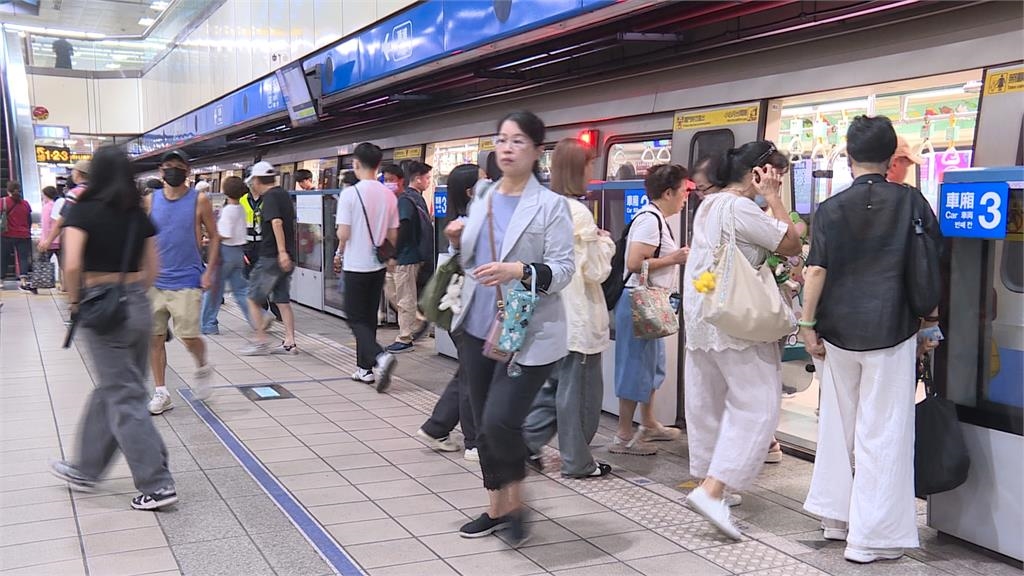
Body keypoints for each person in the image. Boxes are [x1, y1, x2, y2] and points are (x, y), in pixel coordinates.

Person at [801, 116, 941, 564]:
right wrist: (929, 323)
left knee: (837, 425)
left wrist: (807, 324)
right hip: (892, 331)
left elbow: (816, 270)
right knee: (883, 431)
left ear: (848, 156)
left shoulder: (829, 208)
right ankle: (871, 538)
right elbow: (930, 265)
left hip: (837, 332)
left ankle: (835, 517)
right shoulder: (912, 202)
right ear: (890, 157)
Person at [447, 111, 574, 545]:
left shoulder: (551, 205)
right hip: (477, 326)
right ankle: (496, 507)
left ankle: (516, 500)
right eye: (502, 139)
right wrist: (456, 240)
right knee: (481, 426)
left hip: (526, 330)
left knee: (500, 420)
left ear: (537, 150)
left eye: (518, 141)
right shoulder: (483, 194)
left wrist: (519, 270)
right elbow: (470, 259)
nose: (507, 148)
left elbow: (564, 269)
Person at [681, 141, 803, 539]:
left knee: (709, 400)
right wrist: (775, 199)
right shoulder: (740, 207)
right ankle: (713, 490)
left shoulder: (709, 204)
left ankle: (709, 480)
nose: (778, 181)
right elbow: (791, 244)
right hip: (737, 319)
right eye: (776, 174)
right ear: (758, 173)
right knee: (759, 405)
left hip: (704, 314)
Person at [49, 145, 177, 510]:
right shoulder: (137, 214)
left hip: (102, 309)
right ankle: (86, 468)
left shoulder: (82, 210)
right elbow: (153, 269)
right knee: (115, 388)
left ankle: (157, 484)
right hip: (137, 306)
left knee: (123, 396)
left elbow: (72, 265)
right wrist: (130, 290)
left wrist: (77, 301)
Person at [523, 138, 615, 478]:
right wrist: (605, 242)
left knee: (552, 389)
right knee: (579, 395)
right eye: (589, 163)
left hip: (551, 313)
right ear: (579, 168)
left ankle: (523, 444)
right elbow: (595, 271)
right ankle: (578, 462)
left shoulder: (543, 206)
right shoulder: (578, 213)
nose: (592, 169)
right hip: (578, 316)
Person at [610, 165, 690, 457]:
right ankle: (623, 436)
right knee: (634, 367)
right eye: (683, 191)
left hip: (650, 302)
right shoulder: (649, 220)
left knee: (652, 365)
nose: (685, 198)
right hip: (638, 303)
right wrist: (674, 258)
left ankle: (648, 423)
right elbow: (634, 264)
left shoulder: (657, 219)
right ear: (668, 193)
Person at [416, 163, 482, 460]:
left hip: (461, 310)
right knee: (472, 376)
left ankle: (437, 427)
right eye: (484, 182)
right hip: (467, 310)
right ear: (471, 192)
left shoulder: (463, 221)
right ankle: (473, 442)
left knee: (468, 371)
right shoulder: (467, 225)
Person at [146, 150, 219, 415]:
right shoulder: (150, 200)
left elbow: (215, 236)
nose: (173, 170)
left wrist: (209, 271)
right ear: (161, 170)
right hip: (155, 280)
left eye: (178, 166)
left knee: (188, 336)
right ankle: (161, 392)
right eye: (168, 166)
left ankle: (202, 366)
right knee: (154, 338)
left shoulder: (199, 200)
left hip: (187, 278)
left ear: (187, 171)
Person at [333, 143, 400, 391]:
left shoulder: (350, 194)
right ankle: (365, 369)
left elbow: (343, 233)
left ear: (356, 164)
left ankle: (381, 357)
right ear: (379, 164)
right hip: (377, 265)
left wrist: (339, 250)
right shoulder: (388, 194)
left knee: (354, 317)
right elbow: (393, 234)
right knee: (369, 317)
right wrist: (391, 258)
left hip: (355, 265)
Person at [239, 162, 299, 356]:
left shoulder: (270, 196)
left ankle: (260, 341)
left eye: (252, 182)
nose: (252, 186)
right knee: (282, 300)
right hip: (286, 256)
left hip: (272, 256)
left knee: (252, 298)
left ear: (257, 180)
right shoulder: (284, 194)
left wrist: (281, 252)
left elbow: (277, 222)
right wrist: (286, 253)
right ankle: (290, 342)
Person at [384, 160, 433, 353]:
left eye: (390, 180)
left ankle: (405, 338)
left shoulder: (405, 200)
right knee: (395, 294)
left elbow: (403, 229)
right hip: (401, 256)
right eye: (385, 180)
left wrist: (394, 254)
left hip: (406, 256)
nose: (387, 184)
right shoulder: (404, 199)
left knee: (404, 298)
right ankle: (418, 322)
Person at [200, 177, 257, 335]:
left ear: (225, 191)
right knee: (241, 290)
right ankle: (259, 318)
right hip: (238, 252)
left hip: (224, 253)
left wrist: (211, 238)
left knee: (213, 290)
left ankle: (208, 324)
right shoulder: (240, 208)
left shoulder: (228, 210)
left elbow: (225, 234)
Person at [39, 160, 89, 253]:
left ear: (78, 173)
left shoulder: (75, 193)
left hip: (78, 237)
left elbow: (62, 219)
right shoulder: (100, 191)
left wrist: (48, 241)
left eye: (73, 171)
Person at [1, 181, 35, 293]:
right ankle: (23, 282)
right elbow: (29, 220)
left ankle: (1, 280)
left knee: (4, 257)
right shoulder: (25, 203)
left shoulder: (3, 201)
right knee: (23, 258)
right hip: (24, 235)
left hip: (7, 235)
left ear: (8, 191)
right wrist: (27, 230)